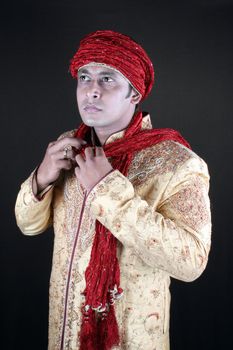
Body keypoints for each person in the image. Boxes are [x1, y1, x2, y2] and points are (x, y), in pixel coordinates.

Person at [15, 30, 211, 350]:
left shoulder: (177, 162)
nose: (91, 91)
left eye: (107, 79)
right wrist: (42, 178)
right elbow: (27, 224)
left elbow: (191, 262)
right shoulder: (70, 148)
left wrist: (107, 189)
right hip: (65, 337)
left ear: (134, 94)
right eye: (84, 77)